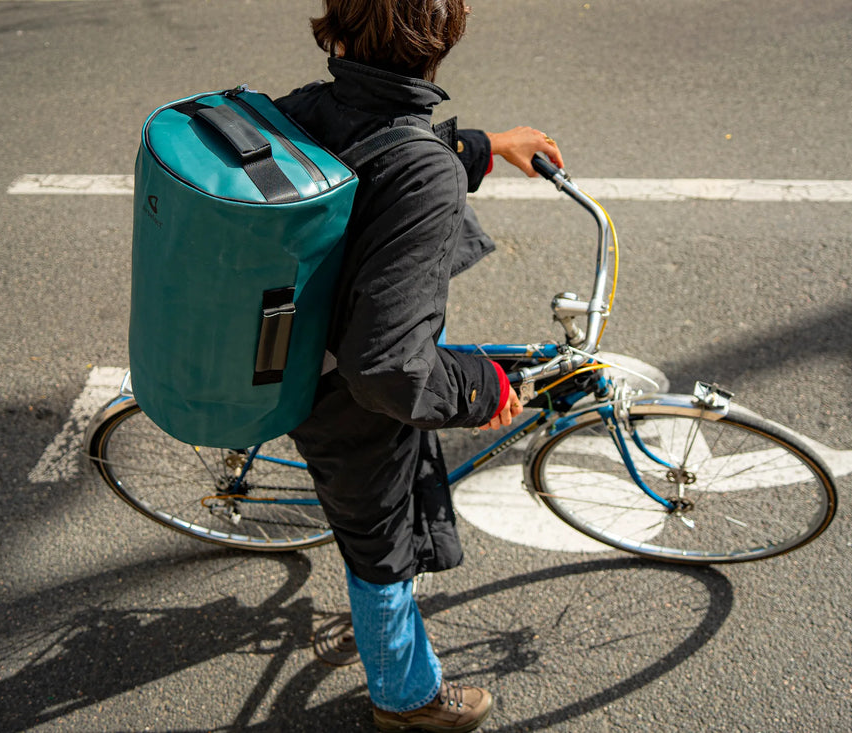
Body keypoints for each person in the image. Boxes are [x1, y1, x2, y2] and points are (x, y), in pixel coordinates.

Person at [277, 2, 564, 730]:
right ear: (442, 38)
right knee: (381, 544)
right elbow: (389, 373)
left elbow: (379, 152)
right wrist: (479, 389)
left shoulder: (307, 107)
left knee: (368, 514)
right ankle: (405, 699)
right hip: (346, 395)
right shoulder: (424, 171)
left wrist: (486, 147)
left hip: (293, 349)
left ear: (340, 28)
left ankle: (379, 641)